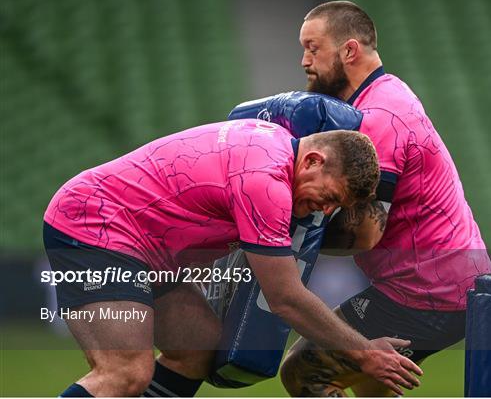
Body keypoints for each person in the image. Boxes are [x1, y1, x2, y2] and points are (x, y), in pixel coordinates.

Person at [42, 118, 422, 397]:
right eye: (331, 196)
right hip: (95, 224)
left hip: (147, 248)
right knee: (124, 372)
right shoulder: (267, 182)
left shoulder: (276, 143)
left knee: (197, 347)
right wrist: (364, 352)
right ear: (313, 162)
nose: (326, 210)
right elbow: (285, 298)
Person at [279, 0, 491, 397]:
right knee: (372, 383)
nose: (304, 61)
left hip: (427, 294)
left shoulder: (379, 117)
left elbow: (364, 234)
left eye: (313, 48)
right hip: (448, 283)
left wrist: (280, 232)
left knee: (304, 372)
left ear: (349, 51)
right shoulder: (386, 92)